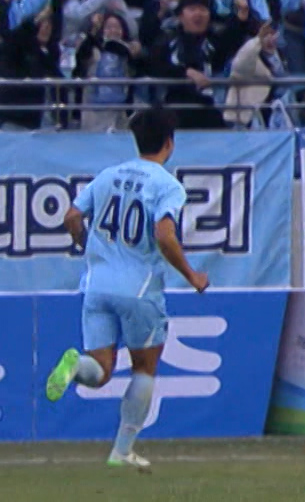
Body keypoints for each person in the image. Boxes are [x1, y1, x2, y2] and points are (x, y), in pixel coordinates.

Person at [43, 108, 208, 471]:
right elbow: (164, 234)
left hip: (96, 285)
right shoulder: (167, 185)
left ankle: (75, 367)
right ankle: (122, 451)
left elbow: (71, 217)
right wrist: (191, 275)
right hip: (139, 289)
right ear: (169, 143)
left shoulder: (108, 175)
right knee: (144, 368)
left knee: (100, 370)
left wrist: (86, 244)